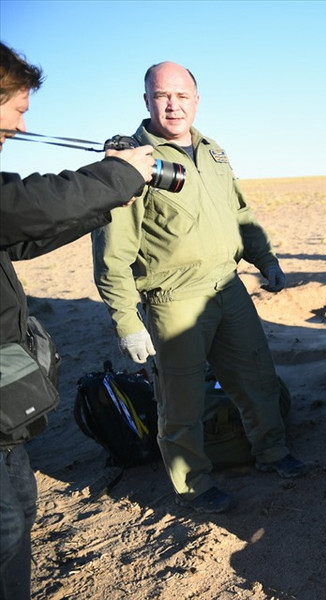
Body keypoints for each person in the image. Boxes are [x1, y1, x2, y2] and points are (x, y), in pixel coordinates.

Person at [91, 61, 307, 515]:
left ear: (197, 99)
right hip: (174, 300)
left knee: (257, 377)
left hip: (227, 286)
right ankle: (193, 484)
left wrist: (264, 259)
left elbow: (240, 213)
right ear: (147, 101)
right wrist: (127, 322)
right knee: (181, 401)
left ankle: (272, 452)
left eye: (181, 95)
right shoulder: (132, 161)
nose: (172, 105)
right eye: (161, 96)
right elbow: (112, 253)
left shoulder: (212, 151)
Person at [0, 41, 155, 600]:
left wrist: (110, 194)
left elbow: (28, 234)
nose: (20, 127)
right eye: (17, 110)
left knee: (18, 513)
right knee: (7, 530)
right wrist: (116, 175)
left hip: (6, 420)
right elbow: (27, 205)